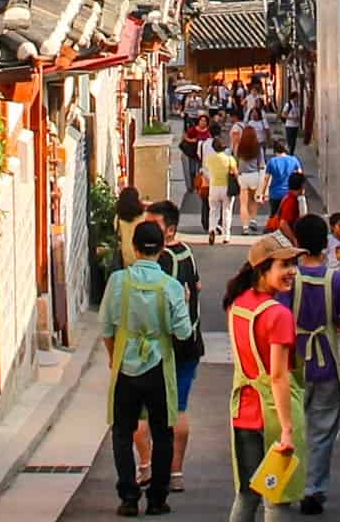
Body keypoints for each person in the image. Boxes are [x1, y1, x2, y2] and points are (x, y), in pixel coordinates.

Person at [100, 221, 193, 517]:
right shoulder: (171, 286)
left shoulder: (118, 281)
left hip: (125, 365)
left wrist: (114, 357)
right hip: (159, 365)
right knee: (162, 432)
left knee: (122, 432)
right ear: (162, 249)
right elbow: (182, 333)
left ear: (134, 248)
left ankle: (128, 496)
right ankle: (157, 499)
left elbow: (105, 326)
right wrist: (185, 304)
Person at [224, 234, 308, 521]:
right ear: (263, 269)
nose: (292, 271)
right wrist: (287, 428)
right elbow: (278, 376)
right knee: (276, 500)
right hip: (271, 415)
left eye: (293, 263)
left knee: (247, 496)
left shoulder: (236, 304)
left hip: (242, 411)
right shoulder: (278, 315)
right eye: (284, 264)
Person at [283, 214, 340, 515]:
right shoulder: (335, 279)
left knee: (293, 427)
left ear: (297, 243)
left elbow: (279, 319)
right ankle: (314, 489)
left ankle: (290, 483)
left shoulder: (290, 279)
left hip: (293, 362)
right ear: (325, 242)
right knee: (322, 430)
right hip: (325, 360)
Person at [148, 201, 204, 494]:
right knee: (180, 406)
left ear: (169, 229)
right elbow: (197, 287)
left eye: (154, 224)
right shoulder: (187, 252)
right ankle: (176, 472)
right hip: (192, 342)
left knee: (155, 411)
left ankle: (149, 469)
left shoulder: (164, 259)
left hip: (169, 345)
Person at [236, 122, 267, 235]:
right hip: (254, 175)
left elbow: (236, 161)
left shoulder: (239, 147)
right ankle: (253, 220)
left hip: (243, 176)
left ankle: (245, 227)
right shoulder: (258, 148)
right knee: (253, 200)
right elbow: (262, 164)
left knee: (243, 203)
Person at [206, 136, 239, 243]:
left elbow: (207, 170)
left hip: (214, 187)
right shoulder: (229, 159)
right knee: (227, 211)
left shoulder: (210, 159)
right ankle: (226, 236)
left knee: (213, 210)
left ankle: (212, 228)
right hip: (226, 188)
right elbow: (235, 173)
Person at [264, 142, 302, 222]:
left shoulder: (272, 161)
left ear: (275, 150)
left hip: (275, 193)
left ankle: (272, 229)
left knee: (274, 214)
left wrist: (263, 193)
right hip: (290, 193)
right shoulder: (294, 159)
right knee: (290, 215)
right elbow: (300, 175)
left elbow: (266, 179)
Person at [268, 172, 308, 244]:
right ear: (301, 186)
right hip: (285, 239)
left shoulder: (290, 197)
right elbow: (283, 223)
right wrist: (294, 239)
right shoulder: (291, 201)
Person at [113, 187, 145, 269]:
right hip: (141, 255)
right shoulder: (144, 217)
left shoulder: (118, 219)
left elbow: (118, 234)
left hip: (126, 257)